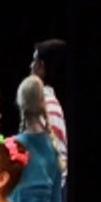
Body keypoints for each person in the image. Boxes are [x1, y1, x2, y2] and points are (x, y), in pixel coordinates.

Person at [29, 39, 69, 187]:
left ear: (42, 67)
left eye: (34, 61)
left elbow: (57, 160)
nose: (31, 66)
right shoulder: (43, 103)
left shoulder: (49, 107)